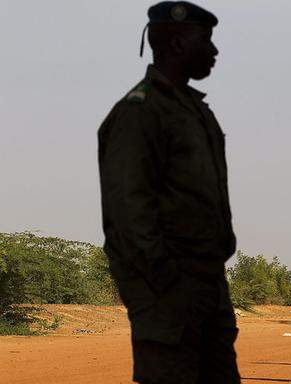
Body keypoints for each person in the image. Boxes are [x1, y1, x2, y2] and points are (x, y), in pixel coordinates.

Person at [97, 2, 239, 383]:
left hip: (207, 286)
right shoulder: (138, 113)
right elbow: (129, 212)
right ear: (176, 43)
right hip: (168, 294)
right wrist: (166, 283)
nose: (214, 51)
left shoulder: (196, 112)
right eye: (205, 40)